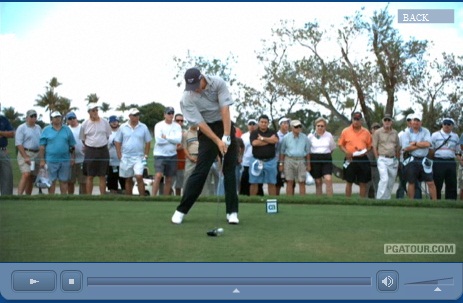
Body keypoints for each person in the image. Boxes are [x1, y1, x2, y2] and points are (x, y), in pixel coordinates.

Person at [171, 67, 239, 224]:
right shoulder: (186, 98)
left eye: (196, 84)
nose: (194, 89)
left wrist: (227, 136)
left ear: (202, 78)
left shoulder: (218, 83)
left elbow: (225, 110)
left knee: (229, 170)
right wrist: (218, 140)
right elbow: (200, 123)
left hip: (225, 125)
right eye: (191, 86)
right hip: (207, 130)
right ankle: (181, 210)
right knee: (201, 171)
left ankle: (232, 212)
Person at [115, 108, 152, 196]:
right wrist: (119, 154)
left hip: (139, 157)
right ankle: (129, 199)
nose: (137, 117)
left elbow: (148, 142)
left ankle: (142, 198)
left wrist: (146, 155)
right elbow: (117, 141)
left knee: (139, 177)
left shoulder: (143, 127)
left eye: (138, 115)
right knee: (128, 179)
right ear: (130, 116)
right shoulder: (123, 127)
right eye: (134, 115)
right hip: (126, 156)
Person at [400, 113, 437, 200]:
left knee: (430, 182)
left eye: (418, 121)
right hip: (412, 159)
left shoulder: (426, 131)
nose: (416, 122)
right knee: (411, 182)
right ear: (411, 122)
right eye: (414, 120)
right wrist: (421, 144)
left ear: (421, 122)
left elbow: (428, 144)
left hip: (424, 159)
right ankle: (411, 203)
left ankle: (435, 203)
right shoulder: (406, 132)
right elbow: (406, 147)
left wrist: (415, 143)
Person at [39, 111, 76, 194]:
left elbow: (72, 145)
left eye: (59, 117)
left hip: (65, 160)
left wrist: (73, 158)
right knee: (52, 181)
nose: (58, 119)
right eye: (55, 117)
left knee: (64, 181)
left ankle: (63, 199)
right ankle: (52, 200)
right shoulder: (46, 130)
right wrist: (42, 160)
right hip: (51, 160)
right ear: (51, 119)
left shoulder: (66, 129)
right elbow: (42, 146)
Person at [338, 111, 372, 198]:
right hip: (350, 159)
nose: (356, 121)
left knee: (363, 182)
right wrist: (346, 152)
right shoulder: (345, 131)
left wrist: (365, 151)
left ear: (361, 121)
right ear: (352, 120)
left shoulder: (366, 132)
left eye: (358, 119)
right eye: (355, 119)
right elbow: (340, 145)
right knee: (349, 181)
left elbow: (370, 146)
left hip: (362, 158)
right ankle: (348, 201)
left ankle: (362, 202)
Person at [80, 103, 112, 195]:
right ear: (89, 112)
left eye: (96, 110)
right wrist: (91, 145)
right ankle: (89, 197)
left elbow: (107, 136)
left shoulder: (105, 122)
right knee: (90, 175)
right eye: (93, 110)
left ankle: (102, 196)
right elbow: (83, 139)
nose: (95, 112)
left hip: (103, 150)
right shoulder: (85, 124)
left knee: (102, 175)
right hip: (90, 151)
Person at [152, 106, 183, 196]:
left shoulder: (177, 126)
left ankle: (165, 198)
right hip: (159, 154)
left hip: (172, 154)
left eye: (172, 113)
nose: (171, 115)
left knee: (169, 178)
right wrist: (172, 140)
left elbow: (178, 140)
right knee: (158, 176)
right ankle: (153, 197)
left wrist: (166, 137)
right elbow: (159, 140)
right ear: (164, 114)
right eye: (169, 113)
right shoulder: (158, 125)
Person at [372, 114, 400, 199]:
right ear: (383, 121)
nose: (387, 122)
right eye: (385, 120)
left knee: (390, 182)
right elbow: (374, 146)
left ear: (392, 122)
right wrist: (377, 158)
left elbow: (397, 147)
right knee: (384, 179)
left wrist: (397, 159)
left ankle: (387, 199)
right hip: (382, 158)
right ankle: (379, 199)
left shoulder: (395, 132)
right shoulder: (378, 132)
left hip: (393, 159)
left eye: (389, 120)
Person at [279, 120, 311, 195]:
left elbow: (307, 152)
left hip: (301, 160)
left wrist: (308, 165)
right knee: (289, 181)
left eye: (300, 126)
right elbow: (282, 152)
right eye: (296, 127)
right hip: (289, 160)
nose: (298, 128)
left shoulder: (305, 138)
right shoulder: (286, 137)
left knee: (302, 181)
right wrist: (281, 164)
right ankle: (289, 201)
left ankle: (302, 202)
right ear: (292, 128)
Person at [249, 114, 279, 196]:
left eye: (265, 122)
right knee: (254, 182)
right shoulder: (254, 133)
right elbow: (254, 143)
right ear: (258, 123)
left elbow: (275, 140)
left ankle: (272, 202)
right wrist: (269, 140)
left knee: (271, 182)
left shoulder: (272, 132)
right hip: (256, 161)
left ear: (268, 123)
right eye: (262, 122)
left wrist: (262, 138)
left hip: (270, 161)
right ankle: (252, 201)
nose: (263, 124)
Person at [431, 117, 459, 200]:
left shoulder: (455, 136)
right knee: (437, 182)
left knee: (451, 183)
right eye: (445, 124)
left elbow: (458, 150)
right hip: (438, 160)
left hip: (450, 161)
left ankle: (451, 201)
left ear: (452, 126)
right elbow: (431, 149)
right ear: (442, 125)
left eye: (449, 124)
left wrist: (460, 160)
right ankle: (436, 200)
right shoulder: (435, 135)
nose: (446, 126)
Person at [307, 117, 336, 196]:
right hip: (315, 159)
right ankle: (319, 200)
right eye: (318, 125)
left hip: (326, 159)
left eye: (322, 126)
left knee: (328, 179)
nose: (320, 127)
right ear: (315, 126)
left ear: (325, 127)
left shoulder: (329, 135)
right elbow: (308, 150)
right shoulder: (310, 136)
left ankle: (330, 200)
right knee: (318, 181)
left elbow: (332, 148)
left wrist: (326, 154)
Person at [15, 109, 41, 195]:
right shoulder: (21, 127)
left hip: (36, 154)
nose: (33, 118)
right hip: (25, 152)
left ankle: (28, 196)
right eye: (31, 116)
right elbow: (19, 144)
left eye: (35, 116)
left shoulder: (38, 127)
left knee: (31, 176)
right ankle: (19, 196)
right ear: (27, 118)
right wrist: (25, 156)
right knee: (26, 174)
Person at [397, 114, 422, 199]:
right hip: (403, 160)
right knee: (402, 182)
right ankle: (399, 199)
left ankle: (417, 200)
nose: (410, 122)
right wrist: (398, 161)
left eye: (412, 120)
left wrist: (414, 146)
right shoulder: (402, 133)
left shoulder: (420, 133)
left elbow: (425, 145)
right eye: (408, 120)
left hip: (417, 160)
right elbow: (400, 148)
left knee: (417, 182)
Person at [239, 119, 263, 196]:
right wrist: (240, 157)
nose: (252, 126)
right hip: (246, 161)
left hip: (257, 160)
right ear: (247, 126)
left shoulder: (260, 135)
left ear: (257, 126)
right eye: (250, 124)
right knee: (245, 179)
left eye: (254, 124)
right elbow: (241, 148)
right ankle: (244, 195)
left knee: (257, 180)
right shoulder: (244, 136)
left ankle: (258, 195)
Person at [66, 112, 86, 195]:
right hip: (70, 159)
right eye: (70, 119)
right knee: (70, 181)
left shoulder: (82, 127)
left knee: (83, 181)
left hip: (83, 158)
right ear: (68, 120)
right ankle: (71, 198)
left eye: (73, 118)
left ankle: (84, 198)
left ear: (76, 118)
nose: (72, 120)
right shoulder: (66, 129)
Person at [107, 115, 125, 194]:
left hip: (122, 161)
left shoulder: (122, 132)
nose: (114, 123)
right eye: (112, 122)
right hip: (111, 162)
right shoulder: (107, 133)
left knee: (124, 182)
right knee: (112, 183)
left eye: (115, 121)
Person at [0, 102, 15, 195]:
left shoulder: (4, 119)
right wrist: (4, 133)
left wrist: (0, 133)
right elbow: (7, 133)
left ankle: (7, 197)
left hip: (3, 150)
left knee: (7, 175)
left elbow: (12, 134)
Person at [275, 117, 290, 195]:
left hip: (289, 160)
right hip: (278, 160)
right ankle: (276, 198)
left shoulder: (291, 135)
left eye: (287, 123)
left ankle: (290, 200)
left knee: (290, 181)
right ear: (280, 125)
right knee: (278, 182)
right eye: (284, 123)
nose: (286, 125)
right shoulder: (276, 135)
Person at [366, 122, 381, 198]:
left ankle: (378, 200)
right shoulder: (367, 138)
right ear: (371, 130)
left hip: (378, 166)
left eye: (377, 128)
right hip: (368, 166)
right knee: (366, 185)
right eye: (374, 128)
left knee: (378, 185)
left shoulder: (381, 138)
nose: (375, 130)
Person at [173, 113, 186, 196]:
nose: (180, 122)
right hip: (171, 159)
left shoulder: (184, 133)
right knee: (169, 181)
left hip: (181, 161)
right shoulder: (171, 131)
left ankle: (177, 198)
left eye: (181, 120)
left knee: (179, 183)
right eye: (178, 120)